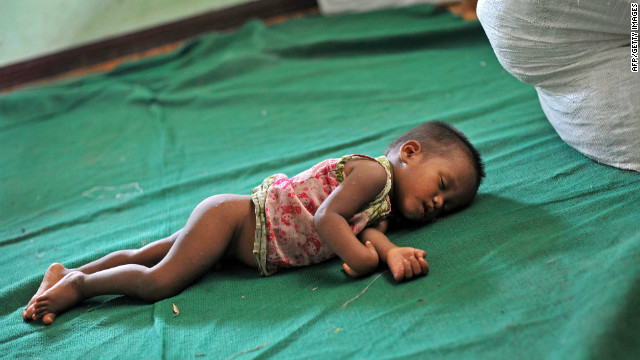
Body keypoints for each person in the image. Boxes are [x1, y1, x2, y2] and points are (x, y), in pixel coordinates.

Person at [23, 121, 485, 325]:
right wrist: (362, 261)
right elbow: (329, 219)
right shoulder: (372, 174)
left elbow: (368, 234)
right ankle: (81, 288)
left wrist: (391, 253)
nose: (437, 202)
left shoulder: (382, 204)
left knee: (149, 255)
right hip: (234, 223)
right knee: (159, 279)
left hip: (236, 230)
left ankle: (68, 271)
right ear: (409, 153)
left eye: (447, 205)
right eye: (441, 185)